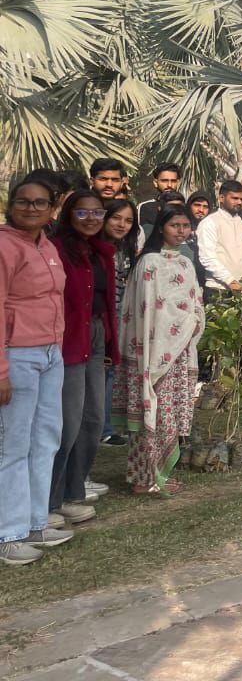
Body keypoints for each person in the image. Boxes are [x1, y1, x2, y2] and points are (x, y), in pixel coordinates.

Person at [0, 176, 73, 566]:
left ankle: (33, 522)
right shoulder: (4, 245)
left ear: (51, 209)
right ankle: (8, 533)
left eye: (40, 203)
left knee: (45, 439)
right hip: (17, 355)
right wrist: (1, 371)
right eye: (23, 201)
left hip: (50, 354)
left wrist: (56, 349)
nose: (30, 208)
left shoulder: (47, 245)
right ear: (10, 204)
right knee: (12, 445)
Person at [113, 207, 206, 496]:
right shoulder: (149, 263)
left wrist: (193, 322)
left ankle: (157, 475)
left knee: (169, 412)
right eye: (175, 225)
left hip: (179, 350)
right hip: (153, 350)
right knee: (152, 410)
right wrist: (183, 323)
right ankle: (144, 478)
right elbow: (149, 310)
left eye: (185, 225)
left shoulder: (186, 263)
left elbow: (195, 301)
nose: (181, 230)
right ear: (161, 228)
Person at [49, 189, 120, 526]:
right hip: (68, 342)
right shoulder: (57, 249)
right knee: (67, 423)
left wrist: (109, 344)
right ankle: (49, 501)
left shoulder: (101, 252)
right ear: (69, 215)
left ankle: (72, 493)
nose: (91, 218)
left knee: (93, 420)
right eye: (82, 212)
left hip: (95, 339)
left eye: (97, 212)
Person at [99, 198, 140, 448]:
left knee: (111, 371)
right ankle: (102, 428)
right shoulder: (95, 247)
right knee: (102, 372)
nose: (122, 224)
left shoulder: (124, 248)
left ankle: (107, 427)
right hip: (99, 319)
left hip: (118, 318)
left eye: (128, 220)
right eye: (116, 218)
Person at [196, 180, 242, 302]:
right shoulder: (209, 223)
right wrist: (230, 281)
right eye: (235, 198)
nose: (239, 202)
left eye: (241, 199)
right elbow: (207, 257)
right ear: (221, 198)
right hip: (218, 289)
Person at [136, 163, 183, 227]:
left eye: (173, 181)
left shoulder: (186, 208)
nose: (169, 185)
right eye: (164, 181)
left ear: (178, 183)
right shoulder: (144, 208)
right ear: (156, 183)